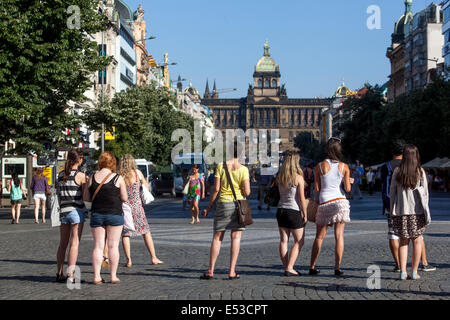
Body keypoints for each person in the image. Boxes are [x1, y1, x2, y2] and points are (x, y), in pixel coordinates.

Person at [381, 140, 436, 273]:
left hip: (401, 212)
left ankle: (403, 271)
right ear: (416, 156)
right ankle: (415, 271)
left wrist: (392, 210)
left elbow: (392, 193)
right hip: (417, 212)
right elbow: (426, 195)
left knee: (403, 242)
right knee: (417, 241)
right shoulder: (420, 171)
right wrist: (426, 211)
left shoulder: (397, 171)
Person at [200, 141, 251, 280]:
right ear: (240, 153)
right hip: (238, 205)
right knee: (236, 238)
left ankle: (210, 270)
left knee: (217, 238)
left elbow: (216, 189)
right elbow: (247, 191)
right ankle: (232, 271)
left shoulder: (220, 166)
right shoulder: (244, 169)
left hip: (223, 203)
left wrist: (209, 207)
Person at [83, 151, 128, 284]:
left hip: (97, 214)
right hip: (115, 214)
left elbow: (86, 198)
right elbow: (124, 198)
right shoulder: (118, 178)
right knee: (113, 246)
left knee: (98, 246)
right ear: (113, 162)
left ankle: (96, 276)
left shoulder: (92, 177)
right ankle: (113, 276)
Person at [309, 138, 352, 276]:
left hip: (325, 202)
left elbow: (316, 188)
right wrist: (350, 181)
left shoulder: (320, 166)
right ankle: (337, 267)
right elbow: (347, 189)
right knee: (339, 236)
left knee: (319, 237)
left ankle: (312, 266)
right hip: (340, 201)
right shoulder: (344, 166)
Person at [119, 154, 163, 267]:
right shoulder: (138, 173)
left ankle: (128, 260)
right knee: (146, 232)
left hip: (125, 207)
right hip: (137, 207)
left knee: (126, 234)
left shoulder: (120, 176)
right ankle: (153, 257)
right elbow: (147, 187)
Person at [55, 149, 88, 283]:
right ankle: (70, 274)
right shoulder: (80, 175)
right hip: (76, 211)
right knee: (74, 243)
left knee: (62, 243)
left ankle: (59, 273)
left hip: (63, 212)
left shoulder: (61, 174)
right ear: (79, 159)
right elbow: (85, 196)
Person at [276, 151, 308, 276]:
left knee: (284, 241)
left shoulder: (280, 177)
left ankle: (286, 267)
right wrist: (305, 213)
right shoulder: (298, 178)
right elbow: (301, 199)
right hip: (293, 211)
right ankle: (289, 267)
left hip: (281, 210)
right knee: (299, 241)